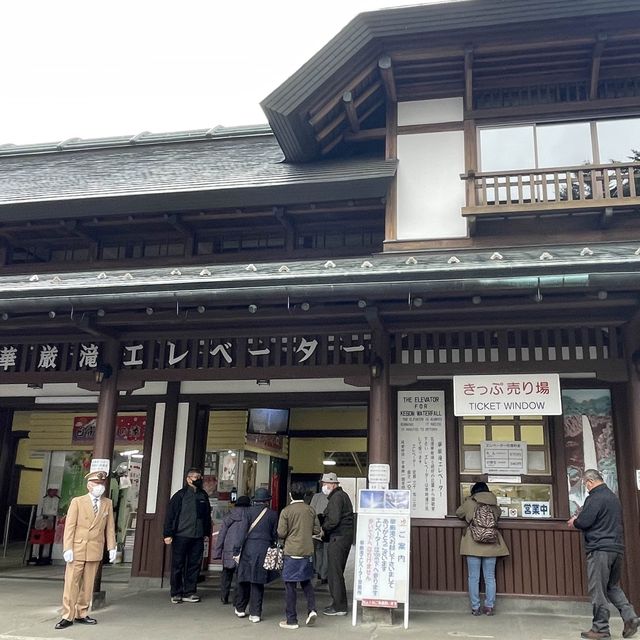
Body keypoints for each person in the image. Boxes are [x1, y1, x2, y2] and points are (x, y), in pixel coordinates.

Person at [567, 469, 639, 640]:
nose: (586, 487)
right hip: (616, 548)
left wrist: (575, 521)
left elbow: (585, 521)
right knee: (612, 586)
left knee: (598, 589)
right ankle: (630, 617)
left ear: (590, 481)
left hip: (600, 549)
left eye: (586, 484)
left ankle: (600, 628)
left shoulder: (595, 497)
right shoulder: (613, 498)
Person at [54, 470, 116, 630]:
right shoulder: (78, 502)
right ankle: (67, 615)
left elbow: (110, 527)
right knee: (71, 583)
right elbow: (70, 526)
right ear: (89, 485)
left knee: (88, 585)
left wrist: (112, 547)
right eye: (96, 484)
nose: (99, 487)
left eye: (101, 484)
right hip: (78, 547)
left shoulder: (107, 503)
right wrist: (67, 547)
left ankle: (82, 613)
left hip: (95, 548)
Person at [456, 481, 509, 616]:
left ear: (474, 491)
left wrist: (468, 502)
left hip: (472, 544)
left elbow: (459, 513)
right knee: (490, 577)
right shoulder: (494, 504)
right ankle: (489, 606)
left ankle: (475, 607)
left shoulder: (470, 502)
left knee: (473, 577)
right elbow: (498, 516)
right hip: (491, 543)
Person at [163, 468, 212, 604]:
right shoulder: (180, 495)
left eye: (199, 476)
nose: (198, 479)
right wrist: (167, 534)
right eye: (195, 477)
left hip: (198, 535)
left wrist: (206, 533)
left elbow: (207, 515)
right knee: (177, 564)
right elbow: (170, 515)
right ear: (188, 479)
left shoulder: (203, 495)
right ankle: (176, 592)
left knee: (194, 564)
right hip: (181, 534)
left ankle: (189, 591)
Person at [277, 482, 321, 629]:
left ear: (290, 495)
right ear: (304, 495)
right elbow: (316, 530)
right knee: (306, 582)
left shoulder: (286, 511)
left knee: (290, 586)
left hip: (292, 552)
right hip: (307, 551)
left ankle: (291, 620)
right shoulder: (310, 510)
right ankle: (312, 610)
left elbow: (281, 533)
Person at [234, 487, 278, 623]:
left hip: (248, 548)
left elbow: (241, 532)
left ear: (255, 500)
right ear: (267, 501)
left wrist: (236, 550)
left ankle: (240, 609)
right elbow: (274, 534)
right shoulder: (273, 514)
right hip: (263, 549)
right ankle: (255, 613)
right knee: (257, 581)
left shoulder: (247, 512)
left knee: (244, 578)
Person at [319, 472, 353, 616]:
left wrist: (323, 528)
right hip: (343, 537)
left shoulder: (336, 498)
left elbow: (333, 520)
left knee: (335, 573)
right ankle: (339, 604)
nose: (323, 486)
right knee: (337, 572)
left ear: (332, 484)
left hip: (338, 538)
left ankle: (339, 607)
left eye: (325, 484)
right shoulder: (342, 496)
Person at [213, 495, 251, 604]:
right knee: (240, 575)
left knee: (226, 574)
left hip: (229, 549)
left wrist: (218, 552)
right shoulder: (251, 516)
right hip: (243, 549)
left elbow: (222, 535)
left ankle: (224, 596)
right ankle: (237, 599)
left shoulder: (229, 515)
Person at [309, 486, 329, 585]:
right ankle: (324, 574)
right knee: (325, 551)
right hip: (327, 527)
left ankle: (318, 571)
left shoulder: (316, 497)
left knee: (318, 551)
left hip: (316, 527)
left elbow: (311, 511)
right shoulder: (333, 497)